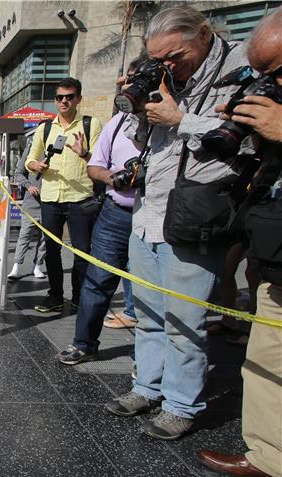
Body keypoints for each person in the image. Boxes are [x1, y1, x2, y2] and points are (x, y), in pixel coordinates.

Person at [105, 5, 251, 440]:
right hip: (148, 211)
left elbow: (245, 137)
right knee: (148, 312)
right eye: (159, 58)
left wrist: (180, 118)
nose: (168, 66)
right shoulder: (165, 78)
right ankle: (147, 386)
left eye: (175, 56)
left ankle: (182, 404)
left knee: (185, 321)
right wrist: (136, 104)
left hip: (194, 215)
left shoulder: (239, 68)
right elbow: (140, 140)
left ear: (203, 34)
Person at [197, 7, 282, 477]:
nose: (269, 84)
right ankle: (270, 456)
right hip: (273, 258)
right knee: (265, 365)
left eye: (276, 69)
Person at [57, 60, 145, 365]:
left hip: (156, 216)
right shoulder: (118, 122)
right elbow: (96, 166)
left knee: (148, 289)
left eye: (136, 80)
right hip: (115, 213)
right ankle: (84, 343)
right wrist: (116, 178)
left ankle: (146, 359)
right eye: (127, 80)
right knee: (97, 281)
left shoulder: (169, 117)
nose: (128, 84)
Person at [25, 77, 102, 313]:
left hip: (80, 198)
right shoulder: (45, 127)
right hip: (50, 198)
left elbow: (100, 162)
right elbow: (29, 159)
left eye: (69, 97)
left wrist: (84, 153)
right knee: (51, 249)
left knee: (82, 251)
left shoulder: (91, 124)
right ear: (54, 100)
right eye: (60, 97)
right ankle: (55, 295)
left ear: (78, 99)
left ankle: (79, 297)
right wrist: (35, 166)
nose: (64, 101)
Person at [7, 135, 46, 280]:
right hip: (31, 203)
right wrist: (29, 186)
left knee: (45, 239)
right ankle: (16, 266)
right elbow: (19, 173)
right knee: (25, 235)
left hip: (50, 202)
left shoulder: (59, 150)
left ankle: (37, 266)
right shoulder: (31, 150)